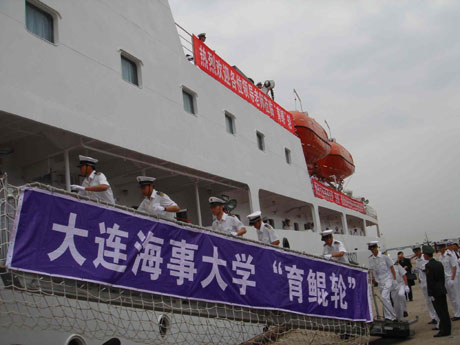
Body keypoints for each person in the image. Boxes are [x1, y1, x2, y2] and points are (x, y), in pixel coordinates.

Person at [424, 244, 451, 337]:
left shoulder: (428, 266)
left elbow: (430, 281)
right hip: (442, 290)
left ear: (427, 255)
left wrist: (430, 293)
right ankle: (448, 329)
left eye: (424, 254)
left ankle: (443, 330)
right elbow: (442, 278)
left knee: (440, 312)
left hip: (435, 292)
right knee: (445, 311)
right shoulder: (439, 263)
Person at [368, 241, 397, 321]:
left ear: (377, 247)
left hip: (388, 279)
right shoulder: (371, 259)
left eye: (374, 248)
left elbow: (392, 268)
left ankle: (391, 317)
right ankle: (389, 316)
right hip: (380, 282)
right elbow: (372, 271)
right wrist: (373, 280)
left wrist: (394, 280)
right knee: (385, 299)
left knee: (384, 297)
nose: (373, 251)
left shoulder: (385, 257)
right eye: (371, 249)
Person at [412, 245, 439, 325]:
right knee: (428, 301)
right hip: (423, 283)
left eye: (417, 251)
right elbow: (418, 271)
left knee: (432, 300)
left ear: (420, 251)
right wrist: (419, 278)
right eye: (415, 252)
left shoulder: (425, 259)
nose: (416, 253)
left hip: (428, 282)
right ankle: (433, 317)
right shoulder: (417, 260)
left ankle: (437, 317)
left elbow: (427, 270)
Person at [437, 240, 460, 321]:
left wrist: (452, 279)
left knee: (455, 296)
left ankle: (458, 314)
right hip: (445, 279)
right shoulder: (440, 257)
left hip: (452, 278)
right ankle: (456, 312)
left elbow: (454, 267)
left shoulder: (449, 255)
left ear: (444, 247)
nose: (439, 249)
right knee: (451, 297)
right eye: (438, 248)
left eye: (440, 248)